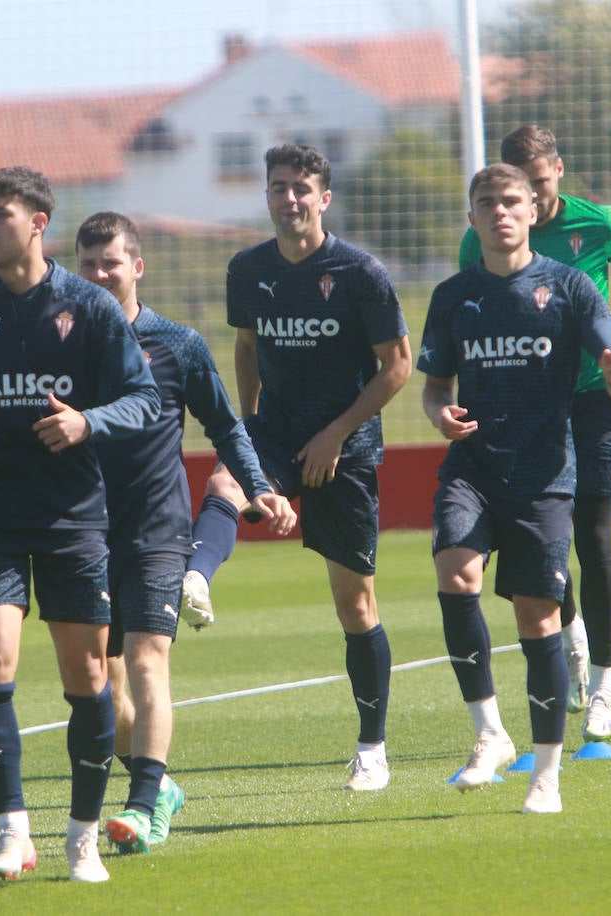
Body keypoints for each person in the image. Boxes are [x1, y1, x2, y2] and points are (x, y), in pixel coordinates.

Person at [0, 167, 160, 884]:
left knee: (86, 675)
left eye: (0, 214)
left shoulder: (90, 307)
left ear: (39, 221)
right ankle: (11, 830)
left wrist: (89, 421)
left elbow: (143, 399)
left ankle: (82, 837)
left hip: (75, 518)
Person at [183, 143, 412, 790]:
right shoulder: (247, 269)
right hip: (278, 431)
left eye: (301, 189)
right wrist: (248, 438)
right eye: (278, 187)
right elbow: (248, 348)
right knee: (224, 479)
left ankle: (372, 748)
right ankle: (196, 581)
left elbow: (397, 365)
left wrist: (337, 435)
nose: (289, 199)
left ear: (323, 198)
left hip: (347, 446)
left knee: (354, 604)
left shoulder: (361, 272)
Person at [72, 211, 296, 853]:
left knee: (147, 659)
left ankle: (143, 807)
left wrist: (258, 488)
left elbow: (227, 427)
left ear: (136, 266)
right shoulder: (63, 347)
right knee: (100, 682)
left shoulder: (178, 344)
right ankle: (159, 784)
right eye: (87, 263)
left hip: (157, 530)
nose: (99, 274)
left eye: (110, 261)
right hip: (84, 532)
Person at [422, 164, 611, 813]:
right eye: (486, 203)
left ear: (532, 210)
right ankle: (489, 734)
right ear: (473, 218)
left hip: (546, 475)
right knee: (454, 570)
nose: (500, 212)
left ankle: (546, 775)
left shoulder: (569, 286)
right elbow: (435, 386)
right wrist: (440, 414)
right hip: (474, 468)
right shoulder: (453, 295)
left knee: (537, 617)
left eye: (510, 200)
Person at [458, 124, 611, 742]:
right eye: (526, 188)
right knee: (539, 532)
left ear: (559, 172)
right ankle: (569, 633)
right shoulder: (482, 241)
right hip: (527, 407)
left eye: (545, 185)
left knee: (593, 535)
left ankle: (604, 686)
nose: (537, 200)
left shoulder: (600, 224)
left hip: (594, 399)